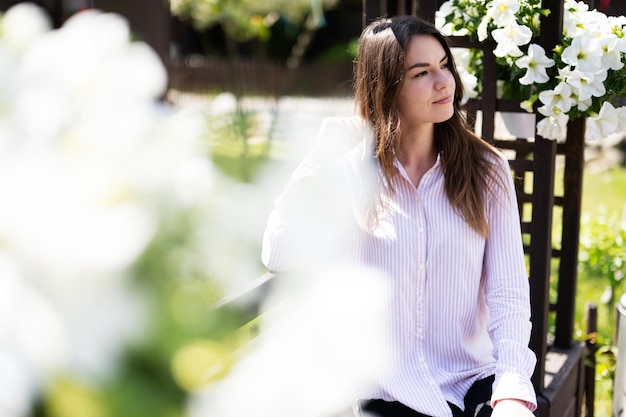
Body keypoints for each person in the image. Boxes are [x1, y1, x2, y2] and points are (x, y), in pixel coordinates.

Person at [261, 15, 537, 417]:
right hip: (390, 390)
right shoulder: (351, 173)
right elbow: (279, 249)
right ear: (386, 87)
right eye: (422, 73)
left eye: (444, 65)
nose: (444, 82)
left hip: (476, 382)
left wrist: (511, 390)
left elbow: (508, 294)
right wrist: (322, 154)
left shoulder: (486, 168)